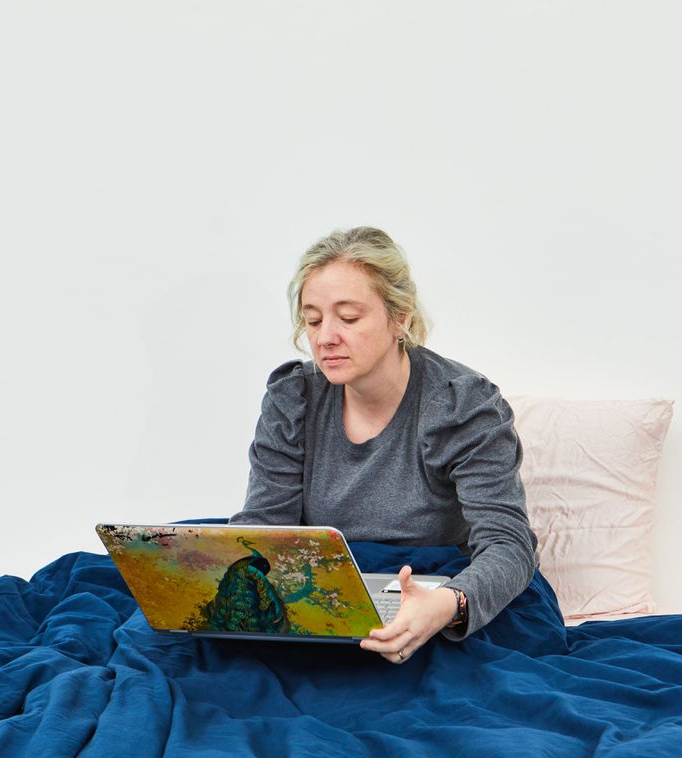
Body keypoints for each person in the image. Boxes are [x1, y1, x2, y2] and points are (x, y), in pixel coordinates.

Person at [229, 227, 537, 664]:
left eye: (349, 318)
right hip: (327, 589)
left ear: (401, 318)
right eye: (313, 320)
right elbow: (265, 531)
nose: (325, 337)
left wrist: (448, 605)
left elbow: (508, 543)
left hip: (440, 594)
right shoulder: (294, 398)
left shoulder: (460, 404)